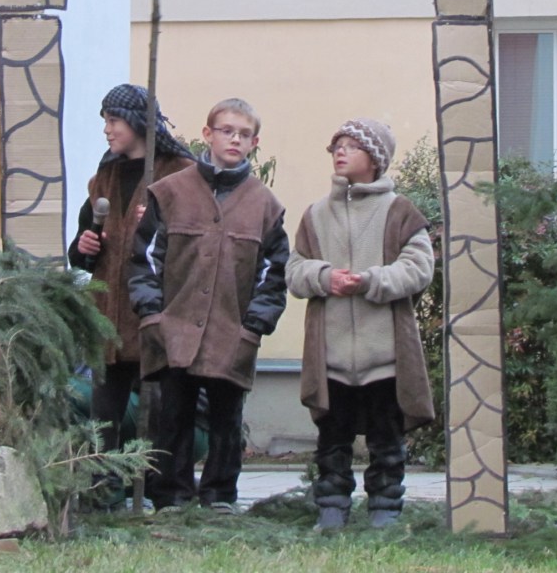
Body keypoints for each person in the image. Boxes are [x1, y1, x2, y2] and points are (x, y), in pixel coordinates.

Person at [129, 97, 289, 512]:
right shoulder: (169, 193)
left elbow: (274, 273)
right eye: (226, 131)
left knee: (226, 418)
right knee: (173, 415)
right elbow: (145, 258)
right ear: (208, 134)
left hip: (232, 330)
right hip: (174, 327)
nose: (235, 140)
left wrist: (254, 325)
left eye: (244, 134)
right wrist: (152, 314)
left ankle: (220, 494)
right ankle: (171, 494)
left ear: (254, 143)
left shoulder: (266, 205)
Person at [285, 118, 435, 530]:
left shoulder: (401, 211)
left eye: (352, 146)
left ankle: (385, 510)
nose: (340, 152)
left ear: (375, 158)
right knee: (332, 441)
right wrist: (324, 277)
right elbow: (294, 270)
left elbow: (419, 268)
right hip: (331, 358)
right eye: (337, 145)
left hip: (385, 358)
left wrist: (371, 281)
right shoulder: (315, 214)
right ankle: (331, 509)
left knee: (387, 441)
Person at [67, 84, 194, 506]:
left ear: (139, 123)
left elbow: (198, 245)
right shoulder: (104, 177)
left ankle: (160, 493)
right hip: (108, 316)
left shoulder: (179, 173)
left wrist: (163, 222)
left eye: (113, 121)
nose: (107, 130)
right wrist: (84, 246)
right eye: (105, 121)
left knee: (159, 413)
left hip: (157, 313)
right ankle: (103, 492)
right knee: (104, 414)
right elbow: (83, 252)